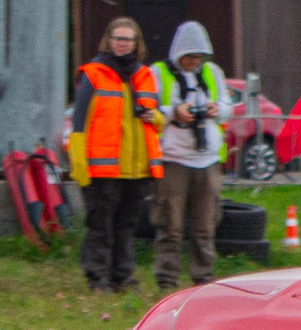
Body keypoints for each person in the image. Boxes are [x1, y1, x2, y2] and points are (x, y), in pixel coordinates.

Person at [68, 17, 161, 294]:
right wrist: (79, 165)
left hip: (136, 168)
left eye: (127, 39)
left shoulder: (145, 75)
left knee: (126, 226)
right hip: (102, 169)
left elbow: (158, 122)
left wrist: (154, 116)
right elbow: (79, 122)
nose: (122, 44)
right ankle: (98, 278)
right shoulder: (92, 74)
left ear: (136, 44)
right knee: (100, 226)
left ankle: (123, 277)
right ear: (108, 40)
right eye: (118, 38)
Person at [149, 21, 233, 291]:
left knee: (205, 224)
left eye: (199, 57)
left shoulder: (212, 73)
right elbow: (146, 108)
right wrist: (175, 111)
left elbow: (228, 107)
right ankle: (166, 278)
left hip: (207, 158)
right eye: (189, 56)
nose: (194, 62)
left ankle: (203, 276)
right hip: (173, 157)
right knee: (169, 223)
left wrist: (214, 108)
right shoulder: (158, 73)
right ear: (178, 53)